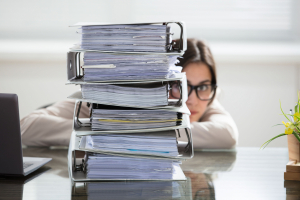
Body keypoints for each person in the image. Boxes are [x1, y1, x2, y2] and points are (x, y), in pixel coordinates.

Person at [20, 38, 238, 148]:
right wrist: (114, 125)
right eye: (180, 85)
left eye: (202, 86)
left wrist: (136, 132)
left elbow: (226, 134)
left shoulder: (207, 98)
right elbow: (27, 127)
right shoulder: (112, 97)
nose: (191, 99)